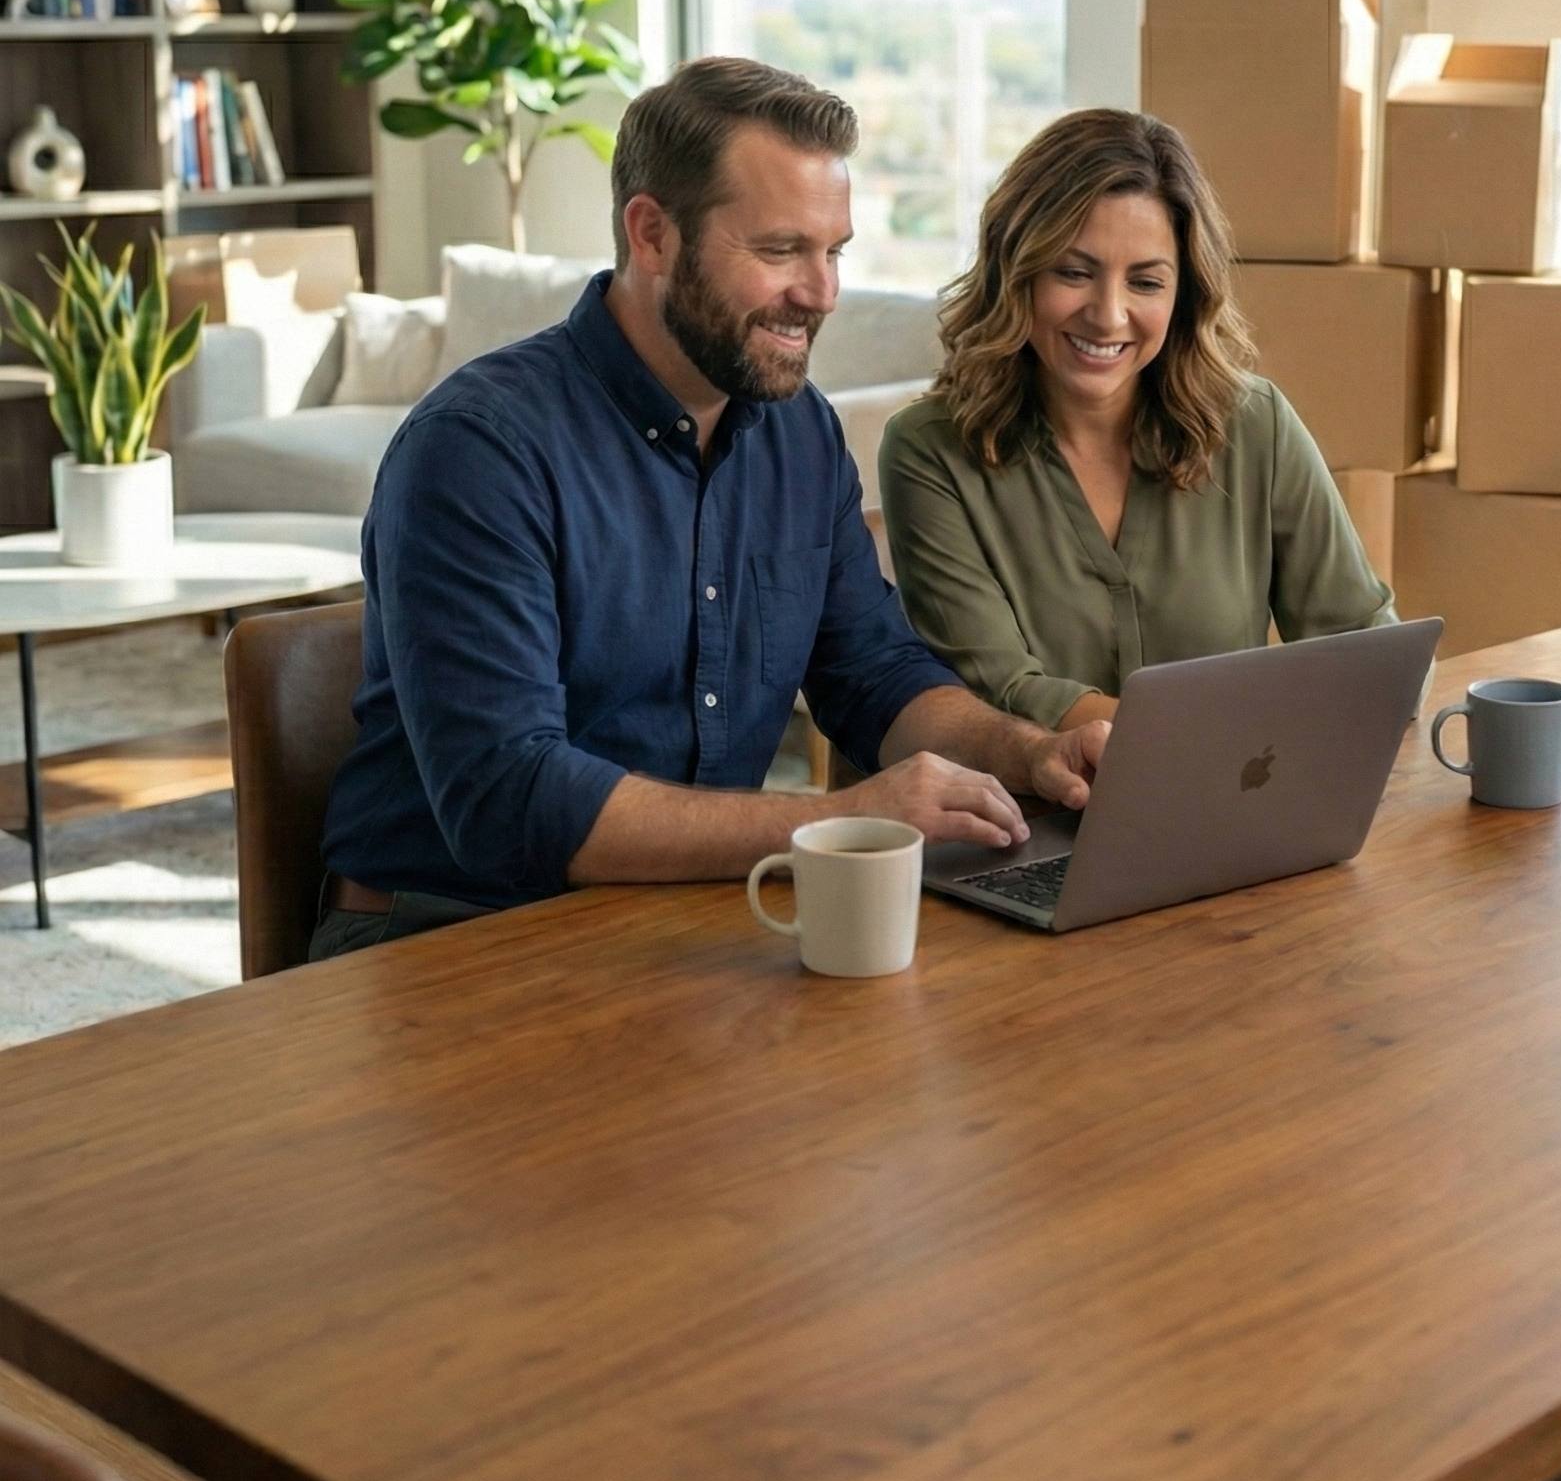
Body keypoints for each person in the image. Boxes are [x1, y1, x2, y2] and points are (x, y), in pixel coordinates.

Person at [313, 57, 1107, 959]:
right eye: (779, 252)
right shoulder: (477, 451)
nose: (821, 294)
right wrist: (835, 820)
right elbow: (508, 802)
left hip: (679, 922)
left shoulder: (796, 432)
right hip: (445, 938)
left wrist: (1025, 751)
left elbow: (874, 674)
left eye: (833, 251)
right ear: (652, 233)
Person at [878, 107, 1396, 734]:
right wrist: (1206, 742)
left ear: (1184, 296)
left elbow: (1365, 646)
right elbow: (1003, 689)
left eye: (1146, 282)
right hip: (1024, 817)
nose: (1108, 314)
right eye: (1074, 273)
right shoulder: (930, 451)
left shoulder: (1256, 425)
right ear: (1015, 271)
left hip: (1228, 807)